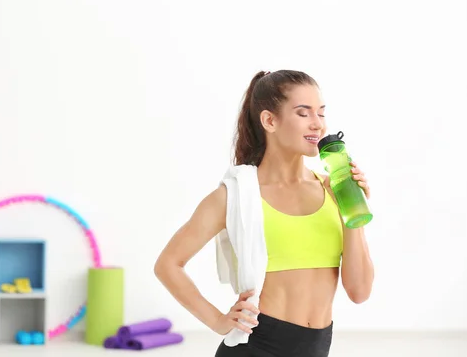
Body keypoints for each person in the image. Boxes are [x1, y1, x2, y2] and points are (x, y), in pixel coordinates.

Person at [153, 70, 374, 357]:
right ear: (270, 120)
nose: (317, 124)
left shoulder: (334, 191)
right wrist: (218, 321)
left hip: (316, 348)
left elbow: (359, 292)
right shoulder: (236, 196)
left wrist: (352, 207)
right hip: (257, 347)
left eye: (321, 113)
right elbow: (168, 264)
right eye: (303, 113)